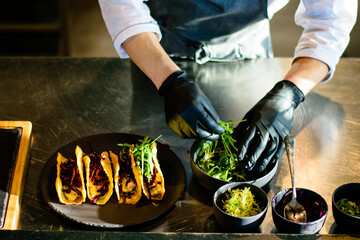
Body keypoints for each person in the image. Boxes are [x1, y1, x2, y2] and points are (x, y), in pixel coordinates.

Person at [98, 0, 357, 172]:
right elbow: (122, 3)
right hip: (156, 50)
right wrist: (168, 80)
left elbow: (330, 20)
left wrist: (291, 91)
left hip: (249, 55)